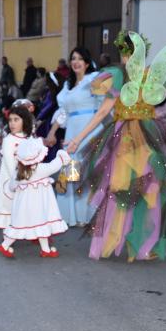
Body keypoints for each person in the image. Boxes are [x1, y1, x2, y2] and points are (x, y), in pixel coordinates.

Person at [66, 30, 166, 262]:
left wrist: (78, 138)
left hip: (126, 137)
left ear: (123, 52)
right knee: (151, 191)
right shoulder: (151, 75)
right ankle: (146, 245)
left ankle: (114, 243)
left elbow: (103, 111)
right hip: (152, 136)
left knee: (119, 191)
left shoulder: (119, 75)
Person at [45, 47, 102, 227]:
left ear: (86, 63)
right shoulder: (67, 86)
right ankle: (70, 214)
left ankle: (88, 215)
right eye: (73, 59)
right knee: (70, 171)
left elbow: (104, 108)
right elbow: (63, 112)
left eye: (79, 59)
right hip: (71, 131)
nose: (76, 62)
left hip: (91, 129)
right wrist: (52, 132)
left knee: (88, 171)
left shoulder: (94, 80)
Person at [0, 137, 71, 258]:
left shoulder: (19, 173)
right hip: (39, 208)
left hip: (23, 209)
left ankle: (45, 250)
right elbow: (56, 164)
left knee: (23, 226)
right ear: (38, 155)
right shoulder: (41, 169)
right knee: (40, 225)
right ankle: (4, 245)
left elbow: (11, 187)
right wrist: (63, 152)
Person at [0, 105, 34, 229]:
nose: (12, 123)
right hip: (12, 179)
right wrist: (18, 179)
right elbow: (10, 164)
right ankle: (9, 234)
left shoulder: (28, 138)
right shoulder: (9, 140)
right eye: (10, 120)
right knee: (9, 205)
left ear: (24, 121)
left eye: (16, 120)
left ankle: (27, 229)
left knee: (24, 206)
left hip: (26, 178)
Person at [35, 71, 66, 162]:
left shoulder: (51, 94)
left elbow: (47, 107)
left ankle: (51, 159)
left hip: (50, 121)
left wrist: (39, 117)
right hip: (58, 120)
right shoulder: (60, 92)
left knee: (50, 141)